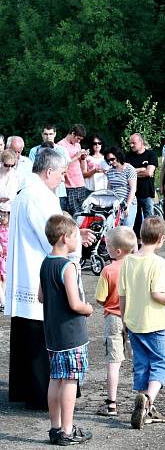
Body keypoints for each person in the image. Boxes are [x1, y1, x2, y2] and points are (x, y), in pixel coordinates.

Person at [5, 148, 93, 411]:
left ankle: (29, 389)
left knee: (28, 336)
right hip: (42, 274)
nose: (63, 179)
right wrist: (76, 242)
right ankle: (43, 395)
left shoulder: (27, 193)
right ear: (49, 171)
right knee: (41, 338)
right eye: (62, 173)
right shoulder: (38, 196)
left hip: (32, 270)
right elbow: (53, 238)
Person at [119, 216, 165, 429]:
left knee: (141, 364)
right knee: (161, 363)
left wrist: (124, 319)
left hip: (133, 322)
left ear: (140, 236)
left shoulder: (128, 261)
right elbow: (157, 294)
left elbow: (122, 296)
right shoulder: (158, 263)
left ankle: (144, 406)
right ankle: (148, 399)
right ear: (161, 238)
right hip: (155, 323)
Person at [38, 214, 93, 446]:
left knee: (55, 379)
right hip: (71, 333)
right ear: (64, 238)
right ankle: (68, 430)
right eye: (74, 236)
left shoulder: (46, 261)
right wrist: (87, 308)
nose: (76, 239)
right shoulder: (68, 265)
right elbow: (75, 303)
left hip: (52, 333)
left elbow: (40, 296)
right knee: (70, 380)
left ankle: (55, 427)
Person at [95, 226, 137, 418]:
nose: (106, 248)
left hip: (113, 317)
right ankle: (144, 398)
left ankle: (111, 404)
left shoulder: (108, 270)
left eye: (108, 245)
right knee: (139, 358)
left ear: (117, 251)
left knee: (114, 362)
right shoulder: (137, 266)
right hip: (135, 317)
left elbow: (100, 298)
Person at [126, 133, 158, 238]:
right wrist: (141, 169)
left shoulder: (151, 154)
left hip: (147, 193)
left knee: (149, 220)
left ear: (141, 142)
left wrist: (133, 172)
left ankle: (151, 240)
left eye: (133, 143)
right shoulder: (128, 156)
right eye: (130, 143)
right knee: (136, 221)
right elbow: (126, 173)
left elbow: (149, 173)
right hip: (133, 194)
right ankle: (138, 243)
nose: (131, 145)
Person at [57, 124, 89, 215]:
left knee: (82, 213)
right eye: (77, 138)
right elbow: (61, 165)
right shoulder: (61, 145)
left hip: (80, 184)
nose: (78, 141)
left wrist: (83, 157)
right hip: (69, 186)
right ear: (72, 133)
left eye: (80, 140)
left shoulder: (77, 145)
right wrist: (75, 157)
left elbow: (81, 166)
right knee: (73, 214)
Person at [104, 147, 138, 227]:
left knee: (127, 228)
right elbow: (109, 189)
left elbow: (133, 189)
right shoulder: (110, 171)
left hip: (128, 202)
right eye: (108, 160)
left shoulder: (129, 169)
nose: (111, 162)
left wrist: (128, 206)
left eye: (112, 159)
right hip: (115, 204)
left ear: (118, 156)